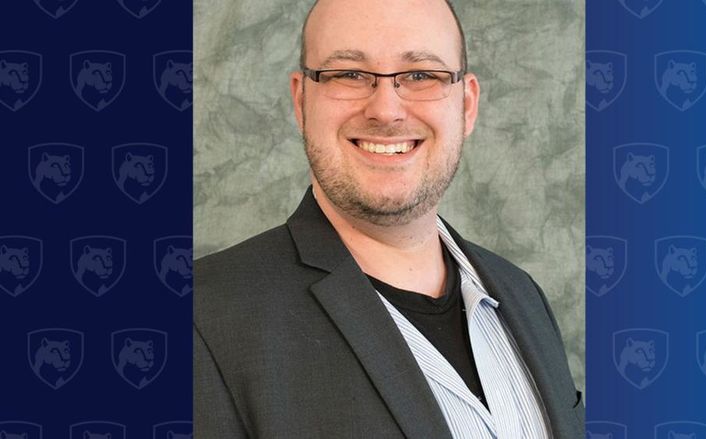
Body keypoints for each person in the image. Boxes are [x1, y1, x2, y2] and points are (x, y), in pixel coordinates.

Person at [194, 0, 584, 437]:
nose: (385, 110)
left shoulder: (522, 293)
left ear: (467, 104)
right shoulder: (204, 318)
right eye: (348, 74)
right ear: (302, 100)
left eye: (421, 75)